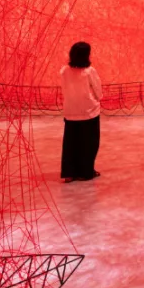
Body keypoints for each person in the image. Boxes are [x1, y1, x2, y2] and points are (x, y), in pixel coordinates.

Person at [61, 41, 102, 182]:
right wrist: (98, 99)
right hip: (88, 111)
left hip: (70, 111)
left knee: (70, 143)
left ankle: (69, 173)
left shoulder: (65, 70)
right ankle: (86, 172)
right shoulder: (89, 71)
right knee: (89, 143)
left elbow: (64, 88)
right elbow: (98, 90)